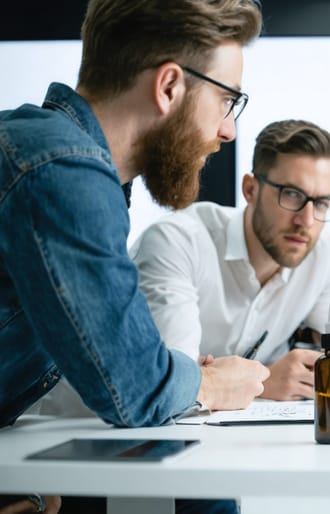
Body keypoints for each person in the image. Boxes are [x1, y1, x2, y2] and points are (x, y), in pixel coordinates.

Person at [0, 0, 268, 512]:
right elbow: (133, 389)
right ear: (169, 86)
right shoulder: (64, 169)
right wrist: (212, 382)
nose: (229, 129)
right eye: (227, 100)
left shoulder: (52, 153)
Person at [130, 119, 330, 401]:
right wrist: (265, 381)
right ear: (250, 189)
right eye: (291, 194)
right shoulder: (178, 241)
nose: (306, 221)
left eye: (321, 203)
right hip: (97, 430)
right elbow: (172, 386)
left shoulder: (326, 251)